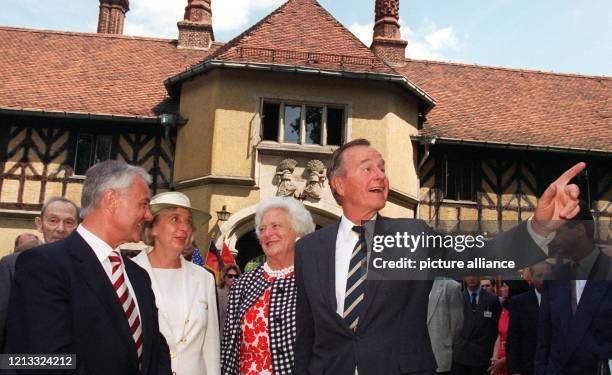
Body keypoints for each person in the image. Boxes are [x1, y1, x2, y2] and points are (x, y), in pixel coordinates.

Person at [294, 138, 585, 375]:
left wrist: (540, 225)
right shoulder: (309, 250)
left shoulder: (413, 235)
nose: (381, 175)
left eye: (382, 168)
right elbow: (306, 336)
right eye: (367, 168)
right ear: (339, 184)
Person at [7, 160, 171, 374]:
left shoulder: (138, 276)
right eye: (143, 204)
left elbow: (155, 349)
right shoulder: (44, 266)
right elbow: (43, 361)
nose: (148, 215)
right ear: (111, 200)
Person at [221, 196, 315, 375]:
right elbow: (229, 349)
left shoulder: (312, 280)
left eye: (276, 226)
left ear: (298, 231)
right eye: (262, 229)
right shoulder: (243, 284)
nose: (267, 233)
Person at [133, 191, 219, 375]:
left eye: (188, 221)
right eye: (174, 219)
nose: (184, 227)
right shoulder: (129, 274)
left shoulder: (204, 278)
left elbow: (211, 348)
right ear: (153, 227)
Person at [535, 202, 612, 374]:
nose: (552, 239)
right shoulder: (553, 277)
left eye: (558, 232)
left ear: (579, 230)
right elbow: (544, 340)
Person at [0, 197, 78, 354]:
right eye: (53, 221)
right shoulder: (12, 265)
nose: (60, 229)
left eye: (69, 222)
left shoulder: (84, 268)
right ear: (39, 224)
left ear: (78, 227)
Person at [506, 262, 551, 375]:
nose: (544, 280)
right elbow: (513, 339)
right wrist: (514, 370)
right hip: (528, 368)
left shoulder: (562, 300)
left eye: (548, 276)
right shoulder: (519, 302)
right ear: (531, 277)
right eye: (539, 276)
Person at [452, 276, 501, 375]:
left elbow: (496, 329)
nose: (471, 278)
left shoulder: (492, 299)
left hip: (483, 357)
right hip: (461, 356)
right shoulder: (457, 299)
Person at [489, 280, 530, 375]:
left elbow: (523, 342)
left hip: (515, 361)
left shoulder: (523, 311)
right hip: (499, 360)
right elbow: (500, 335)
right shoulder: (504, 308)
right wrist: (494, 360)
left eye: (504, 286)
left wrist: (504, 360)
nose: (501, 289)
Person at [427, 278, 464, 374]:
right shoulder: (414, 287)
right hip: (416, 358)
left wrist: (445, 342)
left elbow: (457, 325)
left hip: (440, 355)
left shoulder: (451, 286)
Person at [217, 264, 241, 335]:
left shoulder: (240, 295)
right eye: (230, 276)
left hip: (232, 335)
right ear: (224, 276)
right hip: (218, 333)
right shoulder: (215, 292)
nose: (233, 278)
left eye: (236, 276)